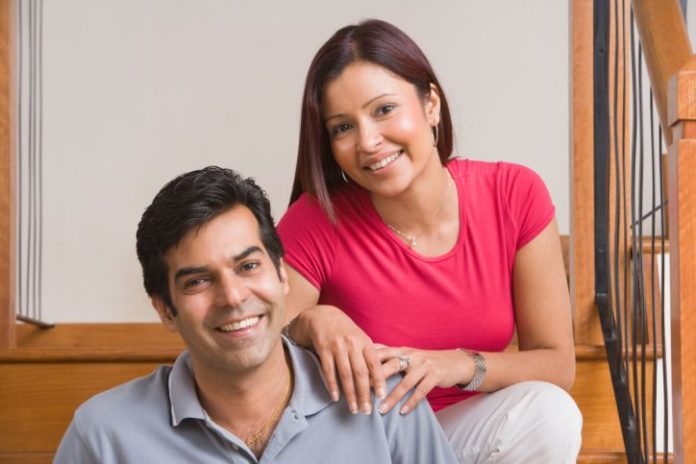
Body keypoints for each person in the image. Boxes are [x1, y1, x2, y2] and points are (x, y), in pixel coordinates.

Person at [278, 19, 583, 463]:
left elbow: (556, 365)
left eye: (383, 110)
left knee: (550, 415)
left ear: (431, 105)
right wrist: (311, 322)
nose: (368, 141)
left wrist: (457, 364)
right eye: (342, 127)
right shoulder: (314, 219)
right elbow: (259, 355)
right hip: (366, 438)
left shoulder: (514, 193)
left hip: (470, 431)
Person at [53, 166, 458, 463]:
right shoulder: (103, 435)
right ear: (165, 310)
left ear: (282, 274)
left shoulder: (383, 398)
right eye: (198, 281)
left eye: (248, 267)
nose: (232, 297)